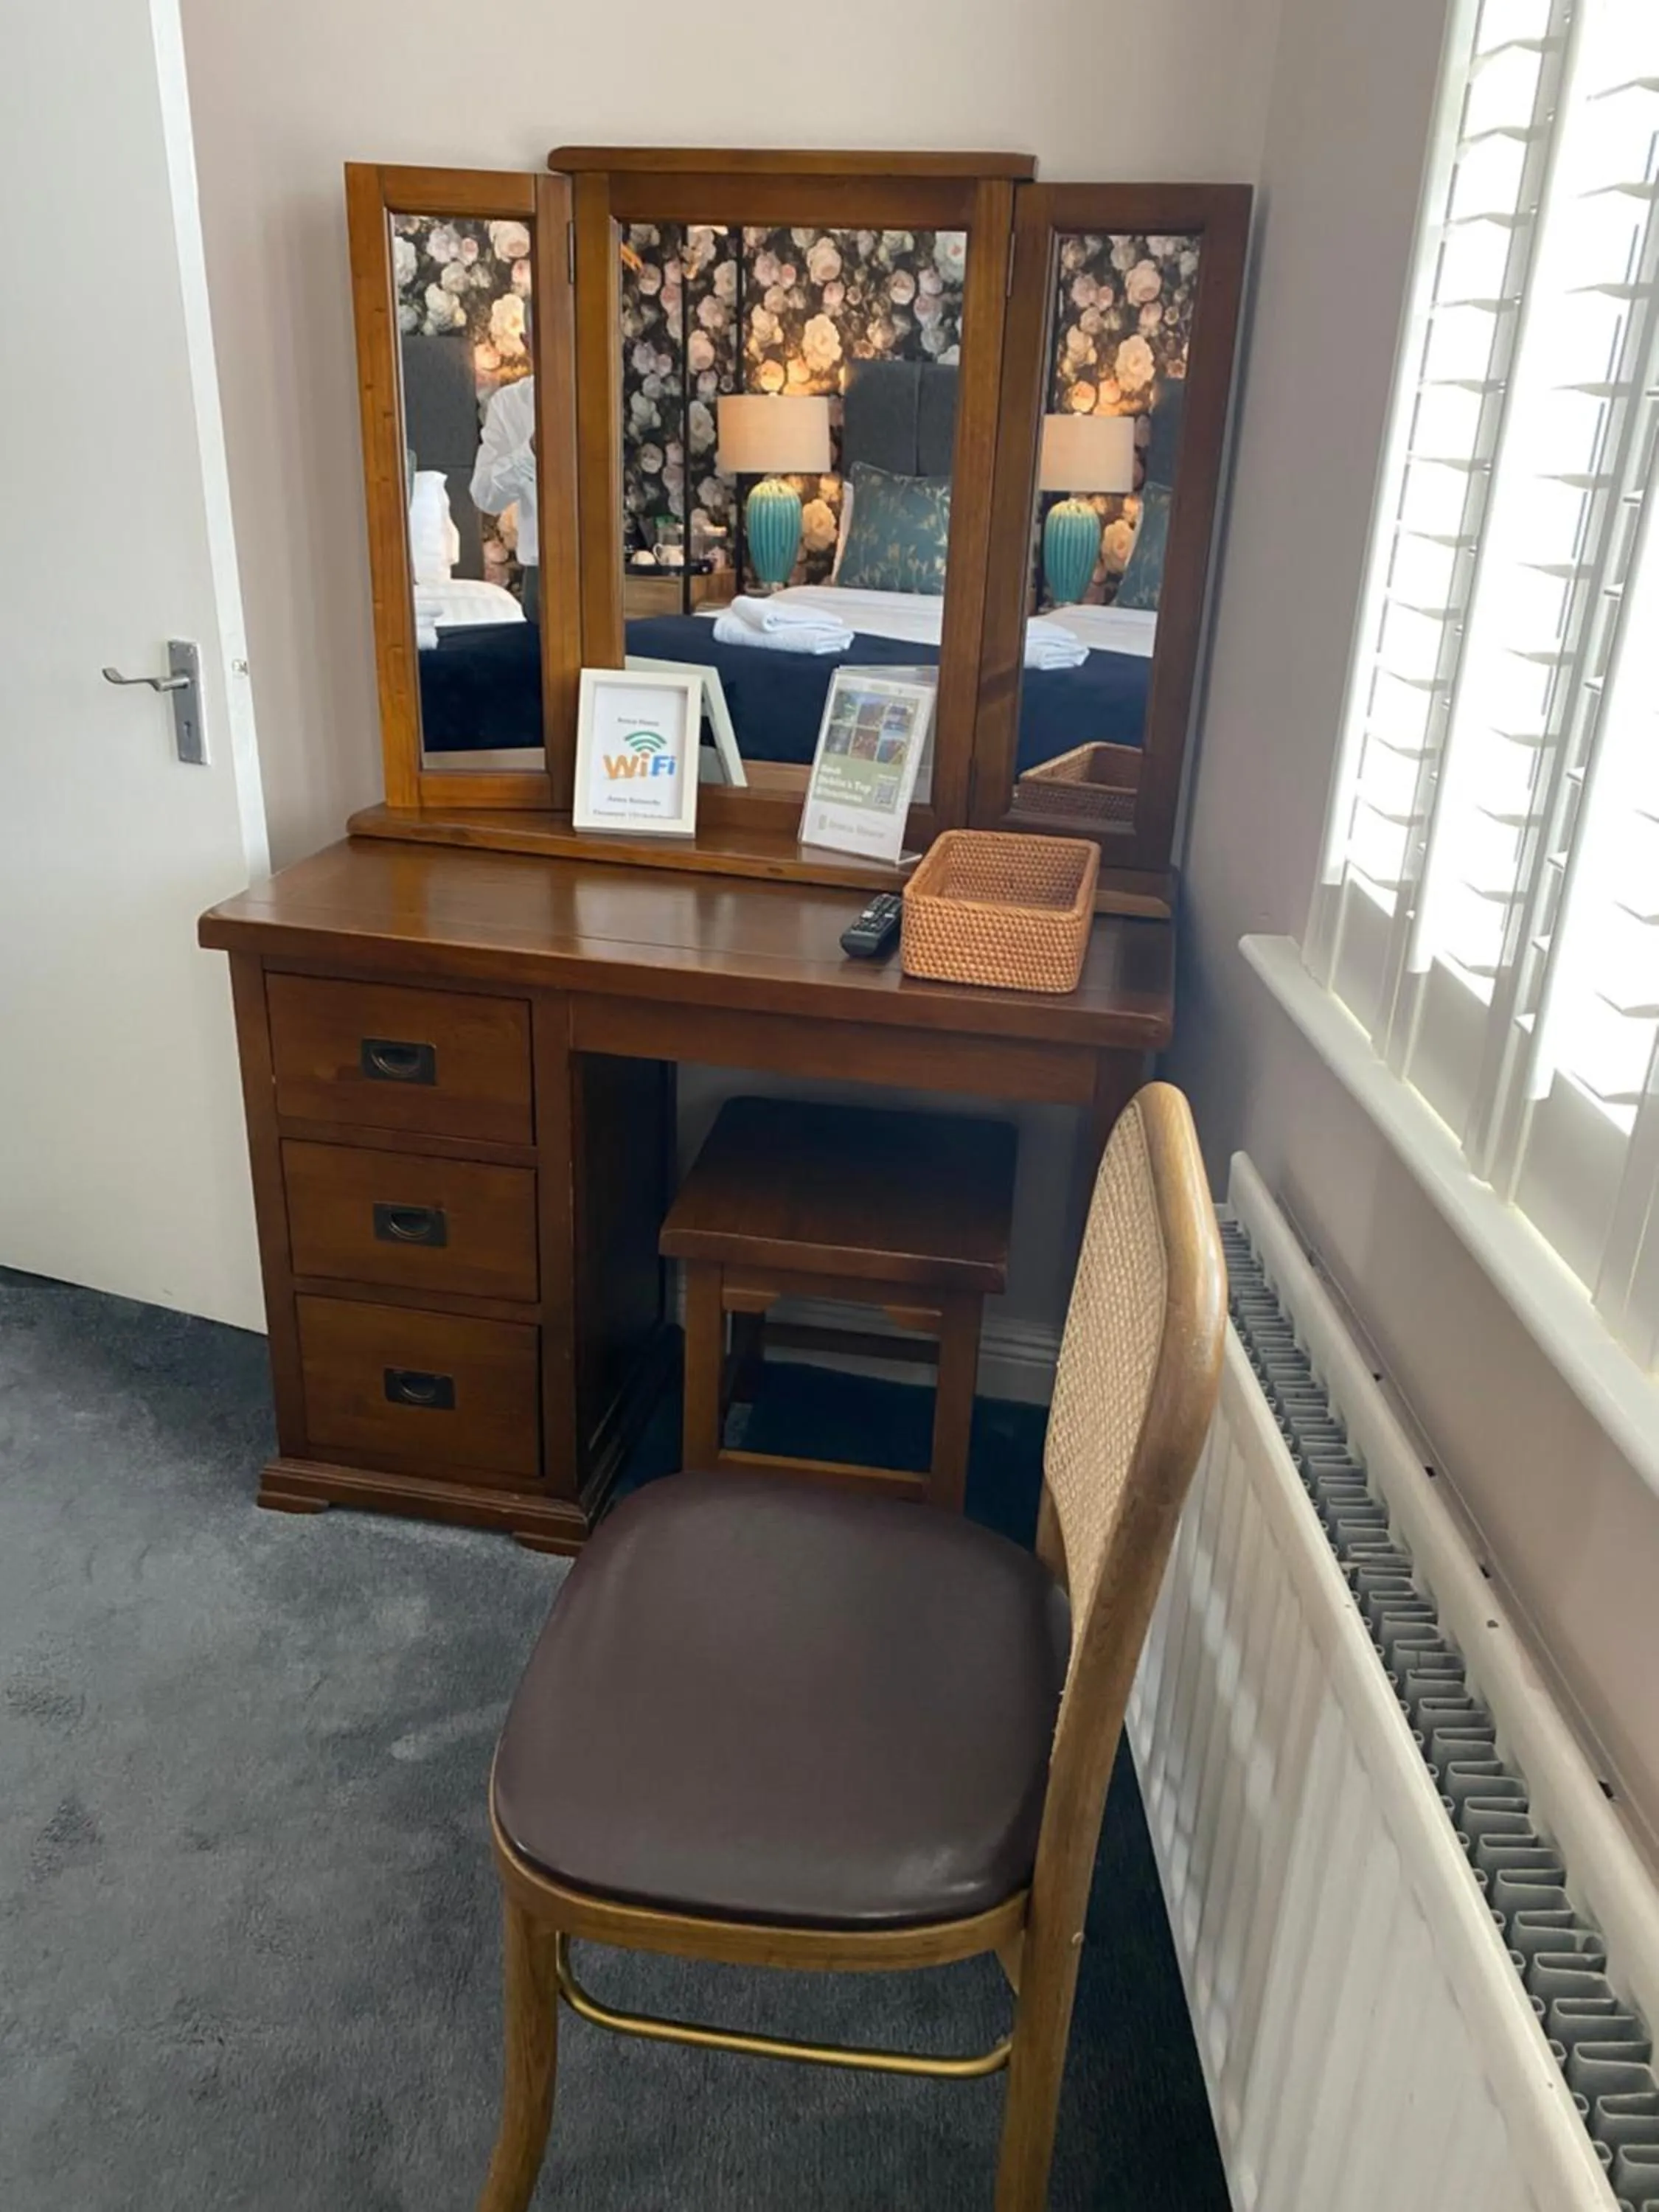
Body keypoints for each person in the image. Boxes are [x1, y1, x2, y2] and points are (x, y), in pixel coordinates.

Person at [470, 374, 538, 620]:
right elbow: (485, 496)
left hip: (629, 574)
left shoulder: (618, 390)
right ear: (526, 341)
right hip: (545, 578)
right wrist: (529, 454)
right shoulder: (510, 404)